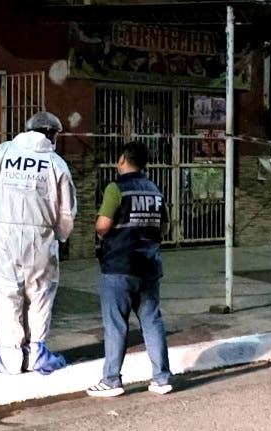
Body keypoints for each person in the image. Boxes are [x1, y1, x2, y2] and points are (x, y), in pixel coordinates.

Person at [0, 111, 77, 375]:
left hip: (5, 233)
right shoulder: (56, 163)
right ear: (51, 134)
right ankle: (37, 352)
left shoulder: (5, 152)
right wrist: (59, 236)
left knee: (7, 292)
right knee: (40, 293)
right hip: (41, 236)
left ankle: (10, 356)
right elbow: (67, 211)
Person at [86, 141, 173, 397]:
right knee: (152, 322)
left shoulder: (116, 188)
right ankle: (161, 379)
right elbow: (164, 227)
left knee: (116, 324)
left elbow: (103, 225)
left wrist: (102, 231)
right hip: (149, 266)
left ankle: (111, 380)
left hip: (119, 267)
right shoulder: (154, 190)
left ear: (122, 159)